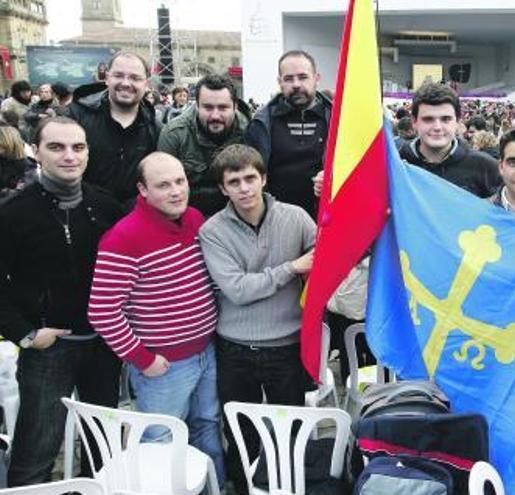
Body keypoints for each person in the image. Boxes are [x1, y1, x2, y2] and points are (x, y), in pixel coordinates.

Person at [0, 117, 124, 486]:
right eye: (57, 147)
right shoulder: (13, 213)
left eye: (78, 147)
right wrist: (25, 333)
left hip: (102, 345)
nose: (69, 156)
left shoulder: (105, 206)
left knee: (101, 446)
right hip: (48, 348)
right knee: (37, 449)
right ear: (35, 151)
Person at [88, 152, 223, 487]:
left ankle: (213, 486)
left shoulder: (194, 219)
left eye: (180, 181)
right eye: (163, 185)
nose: (176, 191)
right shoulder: (123, 239)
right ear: (142, 190)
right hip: (163, 366)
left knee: (207, 423)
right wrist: (142, 359)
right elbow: (102, 311)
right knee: (160, 439)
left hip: (206, 351)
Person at [198, 144, 315, 495]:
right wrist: (291, 268)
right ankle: (248, 486)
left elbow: (323, 250)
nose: (245, 188)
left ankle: (290, 483)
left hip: (287, 344)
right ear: (223, 188)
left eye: (251, 178)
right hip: (236, 347)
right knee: (241, 429)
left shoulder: (295, 217)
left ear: (264, 178)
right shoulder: (213, 231)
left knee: (290, 426)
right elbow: (236, 289)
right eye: (234, 182)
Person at [397, 83, 515, 236]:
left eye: (445, 119)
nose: (437, 127)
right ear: (414, 121)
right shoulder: (395, 163)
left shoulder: (482, 165)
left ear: (457, 120)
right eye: (428, 119)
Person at [246, 50, 331, 219]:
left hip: (326, 220)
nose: (296, 84)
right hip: (275, 221)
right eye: (289, 78)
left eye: (303, 77)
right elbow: (250, 175)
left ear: (316, 78)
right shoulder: (261, 124)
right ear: (279, 82)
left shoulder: (338, 120)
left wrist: (332, 178)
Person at [66, 51, 159, 204]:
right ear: (107, 78)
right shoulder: (75, 116)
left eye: (135, 78)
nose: (126, 83)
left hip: (132, 218)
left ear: (146, 84)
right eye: (118, 75)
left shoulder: (155, 128)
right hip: (84, 212)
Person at [157, 74, 250, 217]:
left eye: (223, 108)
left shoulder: (250, 132)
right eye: (208, 108)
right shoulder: (174, 134)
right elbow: (163, 190)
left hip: (238, 215)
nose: (215, 116)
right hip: (188, 216)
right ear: (197, 105)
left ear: (235, 106)